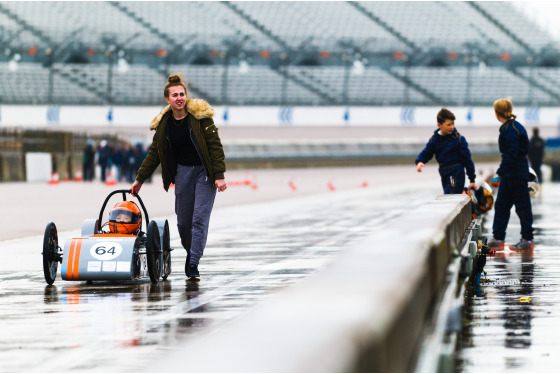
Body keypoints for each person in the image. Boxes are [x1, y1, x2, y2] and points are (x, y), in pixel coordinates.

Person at [130, 73, 227, 280]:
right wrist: (140, 179)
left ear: (186, 96)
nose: (179, 98)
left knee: (199, 219)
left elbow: (215, 147)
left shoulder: (200, 117)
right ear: (168, 99)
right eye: (175, 95)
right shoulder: (164, 123)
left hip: (205, 173)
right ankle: (191, 251)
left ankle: (193, 262)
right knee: (183, 223)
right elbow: (155, 152)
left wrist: (219, 175)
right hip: (182, 172)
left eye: (182, 94)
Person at [486, 99, 534, 252]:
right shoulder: (513, 127)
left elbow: (511, 155)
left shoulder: (511, 129)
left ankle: (527, 239)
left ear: (497, 113)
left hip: (515, 173)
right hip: (513, 173)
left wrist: (498, 174)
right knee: (502, 206)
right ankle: (498, 238)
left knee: (522, 207)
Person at [415, 107, 476, 194]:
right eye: (449, 125)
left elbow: (468, 160)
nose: (452, 127)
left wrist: (472, 179)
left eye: (453, 124)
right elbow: (427, 152)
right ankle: (464, 192)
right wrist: (420, 161)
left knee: (450, 195)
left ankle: (463, 192)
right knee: (450, 195)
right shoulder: (434, 139)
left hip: (456, 173)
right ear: (439, 125)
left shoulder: (459, 139)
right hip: (444, 173)